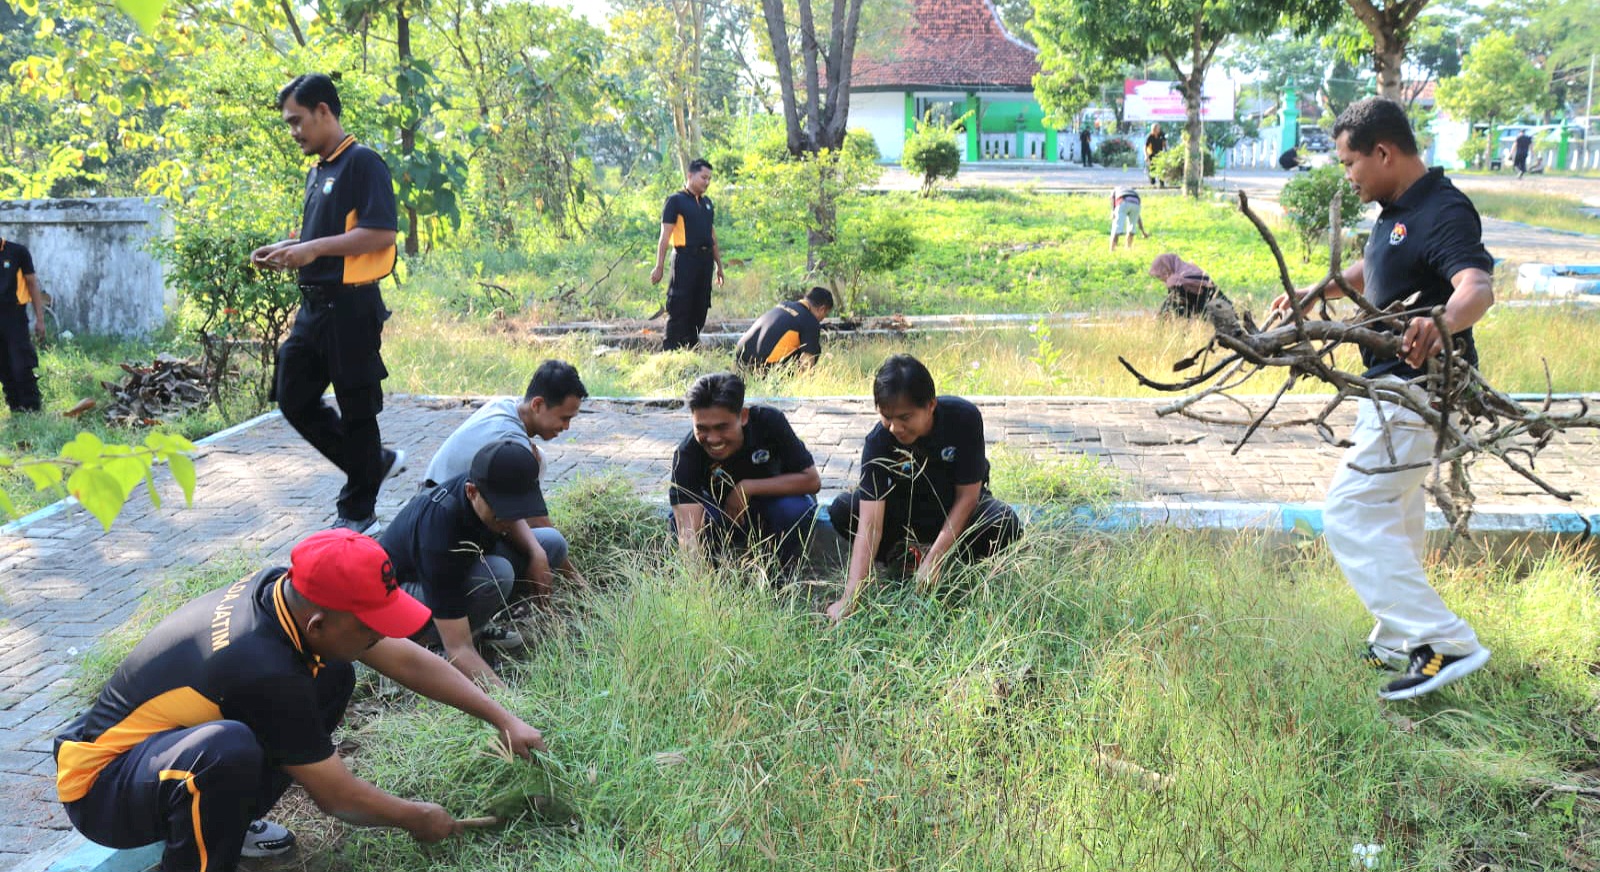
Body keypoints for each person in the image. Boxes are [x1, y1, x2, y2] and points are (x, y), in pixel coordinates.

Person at [54, 528, 547, 872]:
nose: (381, 635)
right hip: (102, 788)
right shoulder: (262, 668)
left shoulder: (286, 594)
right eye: (370, 626)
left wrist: (502, 718)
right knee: (226, 752)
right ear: (319, 624)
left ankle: (229, 823)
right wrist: (418, 817)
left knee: (333, 675)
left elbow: (406, 659)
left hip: (157, 756)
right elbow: (336, 797)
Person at [1271, 97, 1495, 702]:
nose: (1348, 175)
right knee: (1395, 516)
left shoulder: (1445, 211)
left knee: (1350, 510)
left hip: (1416, 389)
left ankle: (1444, 641)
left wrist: (1443, 321)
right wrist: (1317, 292)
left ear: (1384, 153)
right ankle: (1398, 641)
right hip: (1389, 387)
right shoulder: (1395, 210)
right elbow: (1378, 270)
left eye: (1350, 164)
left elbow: (1476, 285)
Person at [251, 73, 404, 533]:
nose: (294, 131)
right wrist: (288, 248)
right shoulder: (318, 171)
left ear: (324, 111)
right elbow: (324, 238)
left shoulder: (363, 163)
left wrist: (312, 250)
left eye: (298, 121)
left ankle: (357, 511)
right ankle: (372, 464)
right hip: (313, 308)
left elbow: (381, 233)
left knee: (358, 410)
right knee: (292, 395)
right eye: (289, 123)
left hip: (352, 308)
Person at [826, 355, 1022, 623]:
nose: (895, 428)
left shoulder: (963, 419)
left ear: (930, 405)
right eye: (886, 417)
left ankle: (959, 566)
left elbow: (968, 497)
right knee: (842, 509)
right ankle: (902, 561)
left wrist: (937, 557)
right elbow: (870, 525)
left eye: (905, 417)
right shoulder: (879, 442)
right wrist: (851, 597)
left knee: (1003, 521)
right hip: (904, 517)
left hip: (953, 509)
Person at [421, 359, 590, 610]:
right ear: (538, 404)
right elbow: (536, 520)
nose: (566, 427)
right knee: (538, 552)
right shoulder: (510, 439)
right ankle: (488, 611)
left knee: (538, 463)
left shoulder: (506, 406)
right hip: (445, 536)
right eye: (564, 418)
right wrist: (579, 584)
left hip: (458, 511)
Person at [381, 440, 551, 688]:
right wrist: (511, 705)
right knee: (496, 573)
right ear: (471, 492)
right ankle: (432, 645)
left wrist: (537, 554)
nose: (510, 519)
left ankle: (473, 627)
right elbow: (457, 648)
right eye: (502, 512)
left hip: (457, 569)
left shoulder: (486, 490)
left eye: (518, 509)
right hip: (400, 595)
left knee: (550, 544)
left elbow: (513, 520)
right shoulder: (439, 536)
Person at [670, 372, 820, 571]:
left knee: (793, 509)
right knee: (677, 521)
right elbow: (688, 533)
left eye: (722, 427)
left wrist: (746, 488)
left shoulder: (769, 422)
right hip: (724, 516)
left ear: (743, 416)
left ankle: (779, 575)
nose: (713, 439)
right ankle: (718, 576)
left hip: (774, 509)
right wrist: (701, 592)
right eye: (702, 428)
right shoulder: (687, 453)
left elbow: (812, 481)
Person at [650, 158, 724, 351]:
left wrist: (719, 265)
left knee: (700, 306)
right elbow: (665, 236)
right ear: (690, 175)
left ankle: (691, 346)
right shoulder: (676, 201)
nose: (706, 182)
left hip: (705, 261)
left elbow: (712, 235)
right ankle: (671, 349)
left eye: (709, 179)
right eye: (703, 178)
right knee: (680, 304)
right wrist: (659, 266)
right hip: (684, 260)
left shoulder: (707, 203)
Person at [734, 287, 834, 370]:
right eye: (826, 314)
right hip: (763, 366)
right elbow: (807, 360)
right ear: (822, 309)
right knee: (813, 348)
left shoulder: (784, 304)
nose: (823, 318)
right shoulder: (810, 321)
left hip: (740, 355)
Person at [0, 235, 46, 413]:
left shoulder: (18, 252)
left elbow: (32, 284)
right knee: (3, 364)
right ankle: (15, 406)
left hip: (14, 315)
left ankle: (32, 407)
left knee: (21, 362)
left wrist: (40, 319)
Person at [1149, 253, 1228, 319]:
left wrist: (1158, 320)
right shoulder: (1193, 270)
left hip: (1213, 318)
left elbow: (1174, 309)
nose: (1161, 279)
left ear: (1166, 269)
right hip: (1227, 310)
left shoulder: (1175, 281)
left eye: (1159, 276)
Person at [1109, 186, 1149, 251]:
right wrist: (1143, 232)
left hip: (1123, 201)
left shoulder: (1116, 189)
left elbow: (1112, 197)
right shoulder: (1132, 192)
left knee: (1117, 227)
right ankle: (1128, 248)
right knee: (1132, 228)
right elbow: (1138, 217)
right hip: (1136, 202)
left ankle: (1112, 250)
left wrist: (1113, 210)